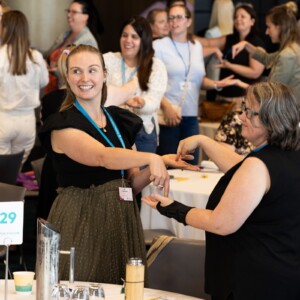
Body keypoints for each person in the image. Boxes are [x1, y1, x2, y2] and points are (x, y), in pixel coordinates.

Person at [38, 44, 198, 283]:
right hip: (82, 218)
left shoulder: (118, 120)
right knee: (83, 285)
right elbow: (102, 156)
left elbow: (130, 183)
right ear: (68, 77)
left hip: (121, 218)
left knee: (124, 287)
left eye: (92, 70)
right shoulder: (62, 124)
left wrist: (161, 162)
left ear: (104, 75)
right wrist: (150, 157)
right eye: (76, 71)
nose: (85, 78)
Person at [143, 81, 300, 300]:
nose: (241, 117)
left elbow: (221, 223)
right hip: (281, 275)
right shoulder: (286, 156)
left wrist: (173, 208)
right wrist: (203, 142)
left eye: (248, 111)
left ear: (269, 120)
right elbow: (241, 168)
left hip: (253, 281)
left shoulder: (259, 165)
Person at [154, 4, 237, 165]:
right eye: (171, 17)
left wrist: (216, 84)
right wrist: (166, 107)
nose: (174, 21)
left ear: (188, 21)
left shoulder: (196, 47)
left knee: (191, 165)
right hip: (169, 115)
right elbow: (151, 83)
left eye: (179, 17)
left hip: (191, 115)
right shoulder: (159, 46)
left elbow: (199, 80)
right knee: (170, 166)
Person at [104, 16, 168, 154]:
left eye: (134, 37)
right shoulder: (108, 59)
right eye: (124, 35)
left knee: (141, 175)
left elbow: (154, 102)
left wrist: (141, 103)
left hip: (142, 133)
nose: (128, 41)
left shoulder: (155, 66)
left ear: (143, 40)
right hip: (111, 129)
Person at [0, 10, 48, 165]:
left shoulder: (0, 55)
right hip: (27, 123)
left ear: (6, 28)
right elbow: (44, 82)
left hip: (3, 119)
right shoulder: (36, 57)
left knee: (2, 176)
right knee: (14, 173)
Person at [196, 3, 265, 109]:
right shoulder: (230, 38)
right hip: (222, 96)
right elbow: (208, 43)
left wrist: (229, 66)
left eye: (243, 16)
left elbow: (255, 72)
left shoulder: (256, 43)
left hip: (242, 98)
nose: (238, 19)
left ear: (252, 21)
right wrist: (186, 36)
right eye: (236, 17)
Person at [232, 2, 300, 103]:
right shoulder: (292, 48)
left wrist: (239, 83)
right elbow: (267, 59)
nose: (266, 32)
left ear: (279, 27)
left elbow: (270, 92)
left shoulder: (287, 55)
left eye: (268, 27)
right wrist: (246, 45)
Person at [44, 0, 100, 94]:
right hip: (51, 88)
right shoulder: (65, 35)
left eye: (74, 12)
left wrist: (54, 71)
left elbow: (82, 73)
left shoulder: (88, 41)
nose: (69, 15)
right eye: (68, 11)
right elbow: (47, 54)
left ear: (85, 16)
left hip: (69, 92)